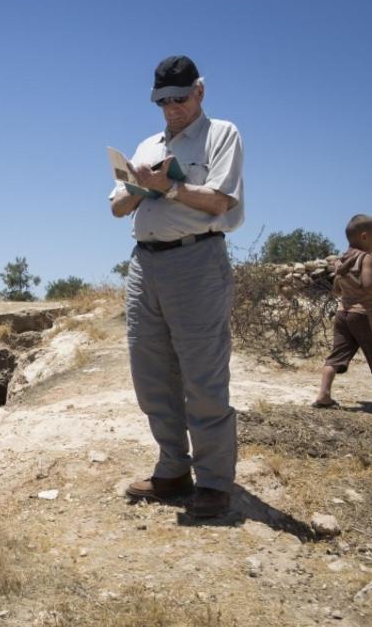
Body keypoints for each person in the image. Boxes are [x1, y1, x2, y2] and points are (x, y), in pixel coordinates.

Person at [109, 55, 244, 517]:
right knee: (151, 375)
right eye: (162, 100)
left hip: (196, 262)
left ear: (200, 92)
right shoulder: (147, 144)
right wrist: (139, 186)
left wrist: (168, 188)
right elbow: (116, 209)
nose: (171, 108)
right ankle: (172, 469)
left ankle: (213, 482)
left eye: (179, 98)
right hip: (144, 266)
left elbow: (220, 200)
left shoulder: (221, 135)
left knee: (203, 376)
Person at [313, 214, 372, 408]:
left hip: (342, 313)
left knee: (336, 356)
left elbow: (336, 290)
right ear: (365, 236)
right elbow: (367, 284)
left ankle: (323, 395)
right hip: (363, 315)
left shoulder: (341, 261)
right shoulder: (366, 258)